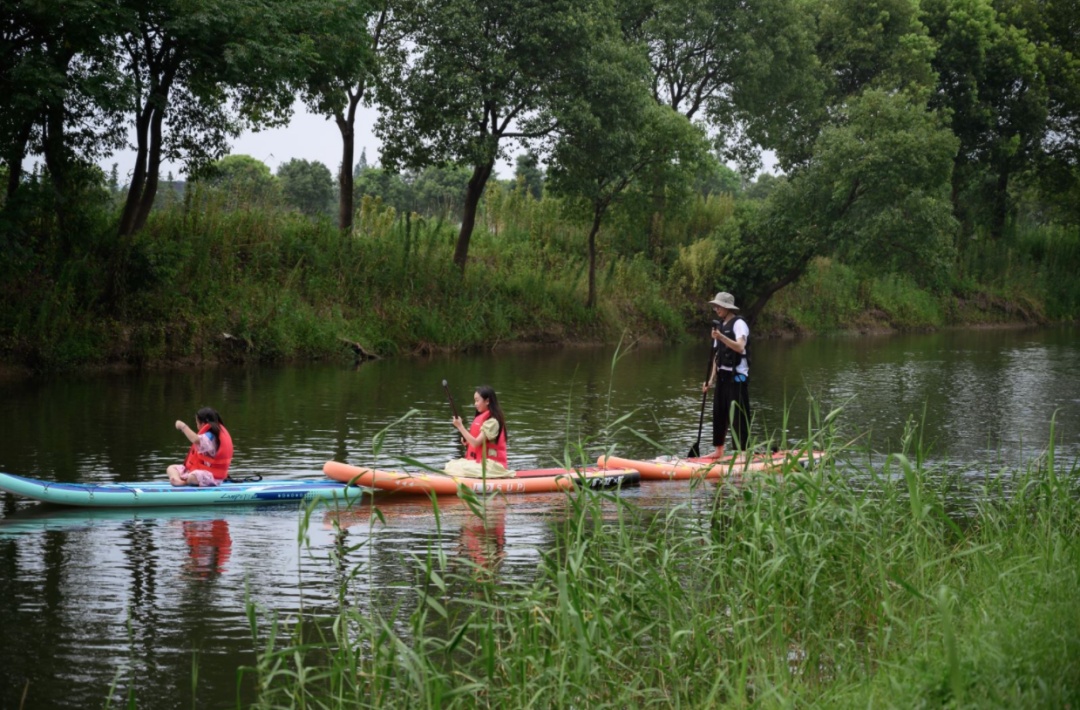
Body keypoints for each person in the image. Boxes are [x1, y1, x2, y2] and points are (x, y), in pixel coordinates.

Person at [701, 292, 751, 459]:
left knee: (737, 415)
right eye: (715, 306)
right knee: (719, 412)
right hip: (722, 376)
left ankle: (742, 452)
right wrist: (710, 380)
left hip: (737, 378)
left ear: (727, 307)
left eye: (718, 306)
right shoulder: (720, 326)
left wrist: (721, 336)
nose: (716, 309)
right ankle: (719, 450)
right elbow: (717, 357)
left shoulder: (739, 324)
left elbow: (740, 347)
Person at [444, 385, 514, 478]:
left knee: (460, 468)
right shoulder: (483, 419)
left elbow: (476, 443)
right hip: (480, 463)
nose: (475, 404)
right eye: (474, 401)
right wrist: (467, 442)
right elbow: (475, 443)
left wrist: (460, 426)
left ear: (487, 401)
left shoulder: (493, 422)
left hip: (493, 466)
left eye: (477, 400)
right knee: (451, 465)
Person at [167, 407, 234, 487]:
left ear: (202, 424)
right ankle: (177, 480)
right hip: (199, 470)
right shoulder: (210, 434)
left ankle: (183, 482)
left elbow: (195, 439)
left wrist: (182, 426)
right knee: (171, 468)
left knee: (193, 477)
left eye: (197, 423)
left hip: (212, 477)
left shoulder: (211, 437)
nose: (197, 425)